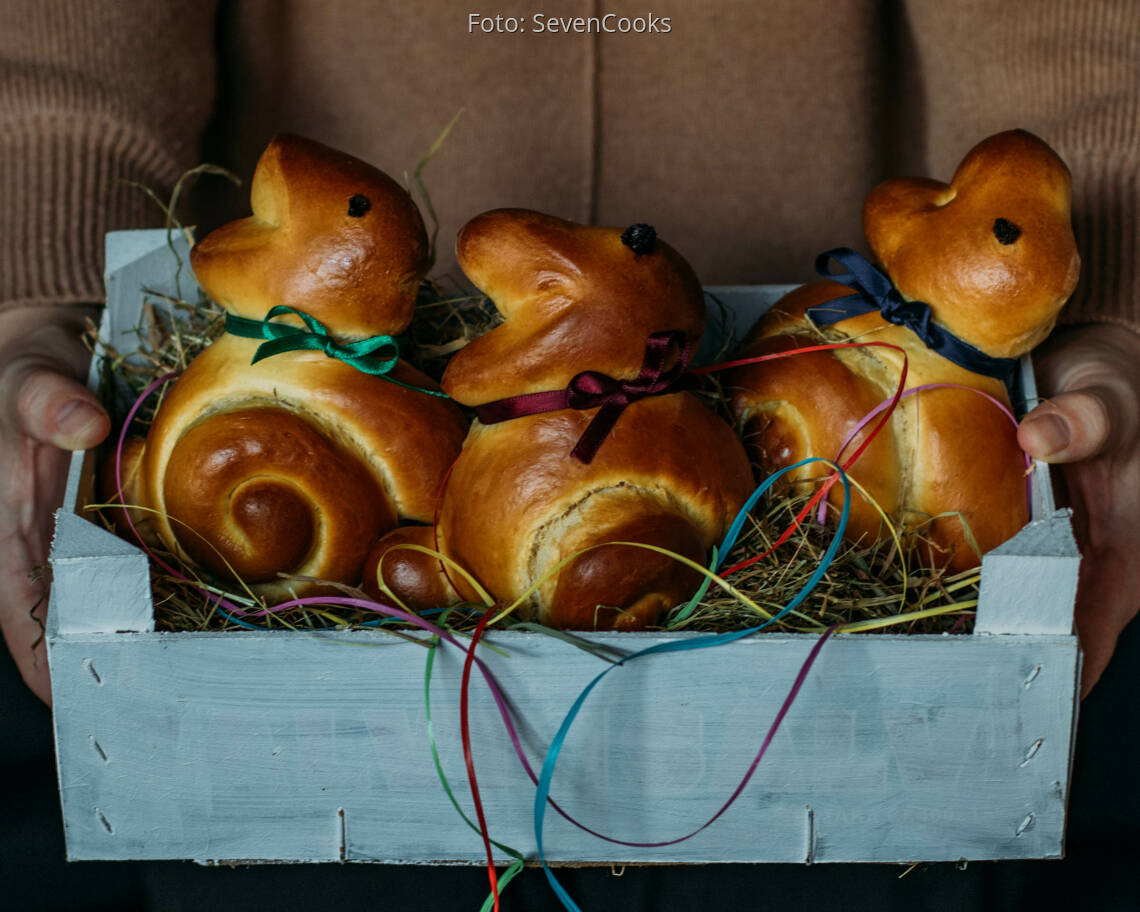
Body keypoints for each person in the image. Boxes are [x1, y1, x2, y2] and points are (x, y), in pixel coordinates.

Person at [1, 2, 1137, 909]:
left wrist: (1111, 297)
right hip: (318, 744)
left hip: (830, 731)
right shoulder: (442, 401)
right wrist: (36, 277)